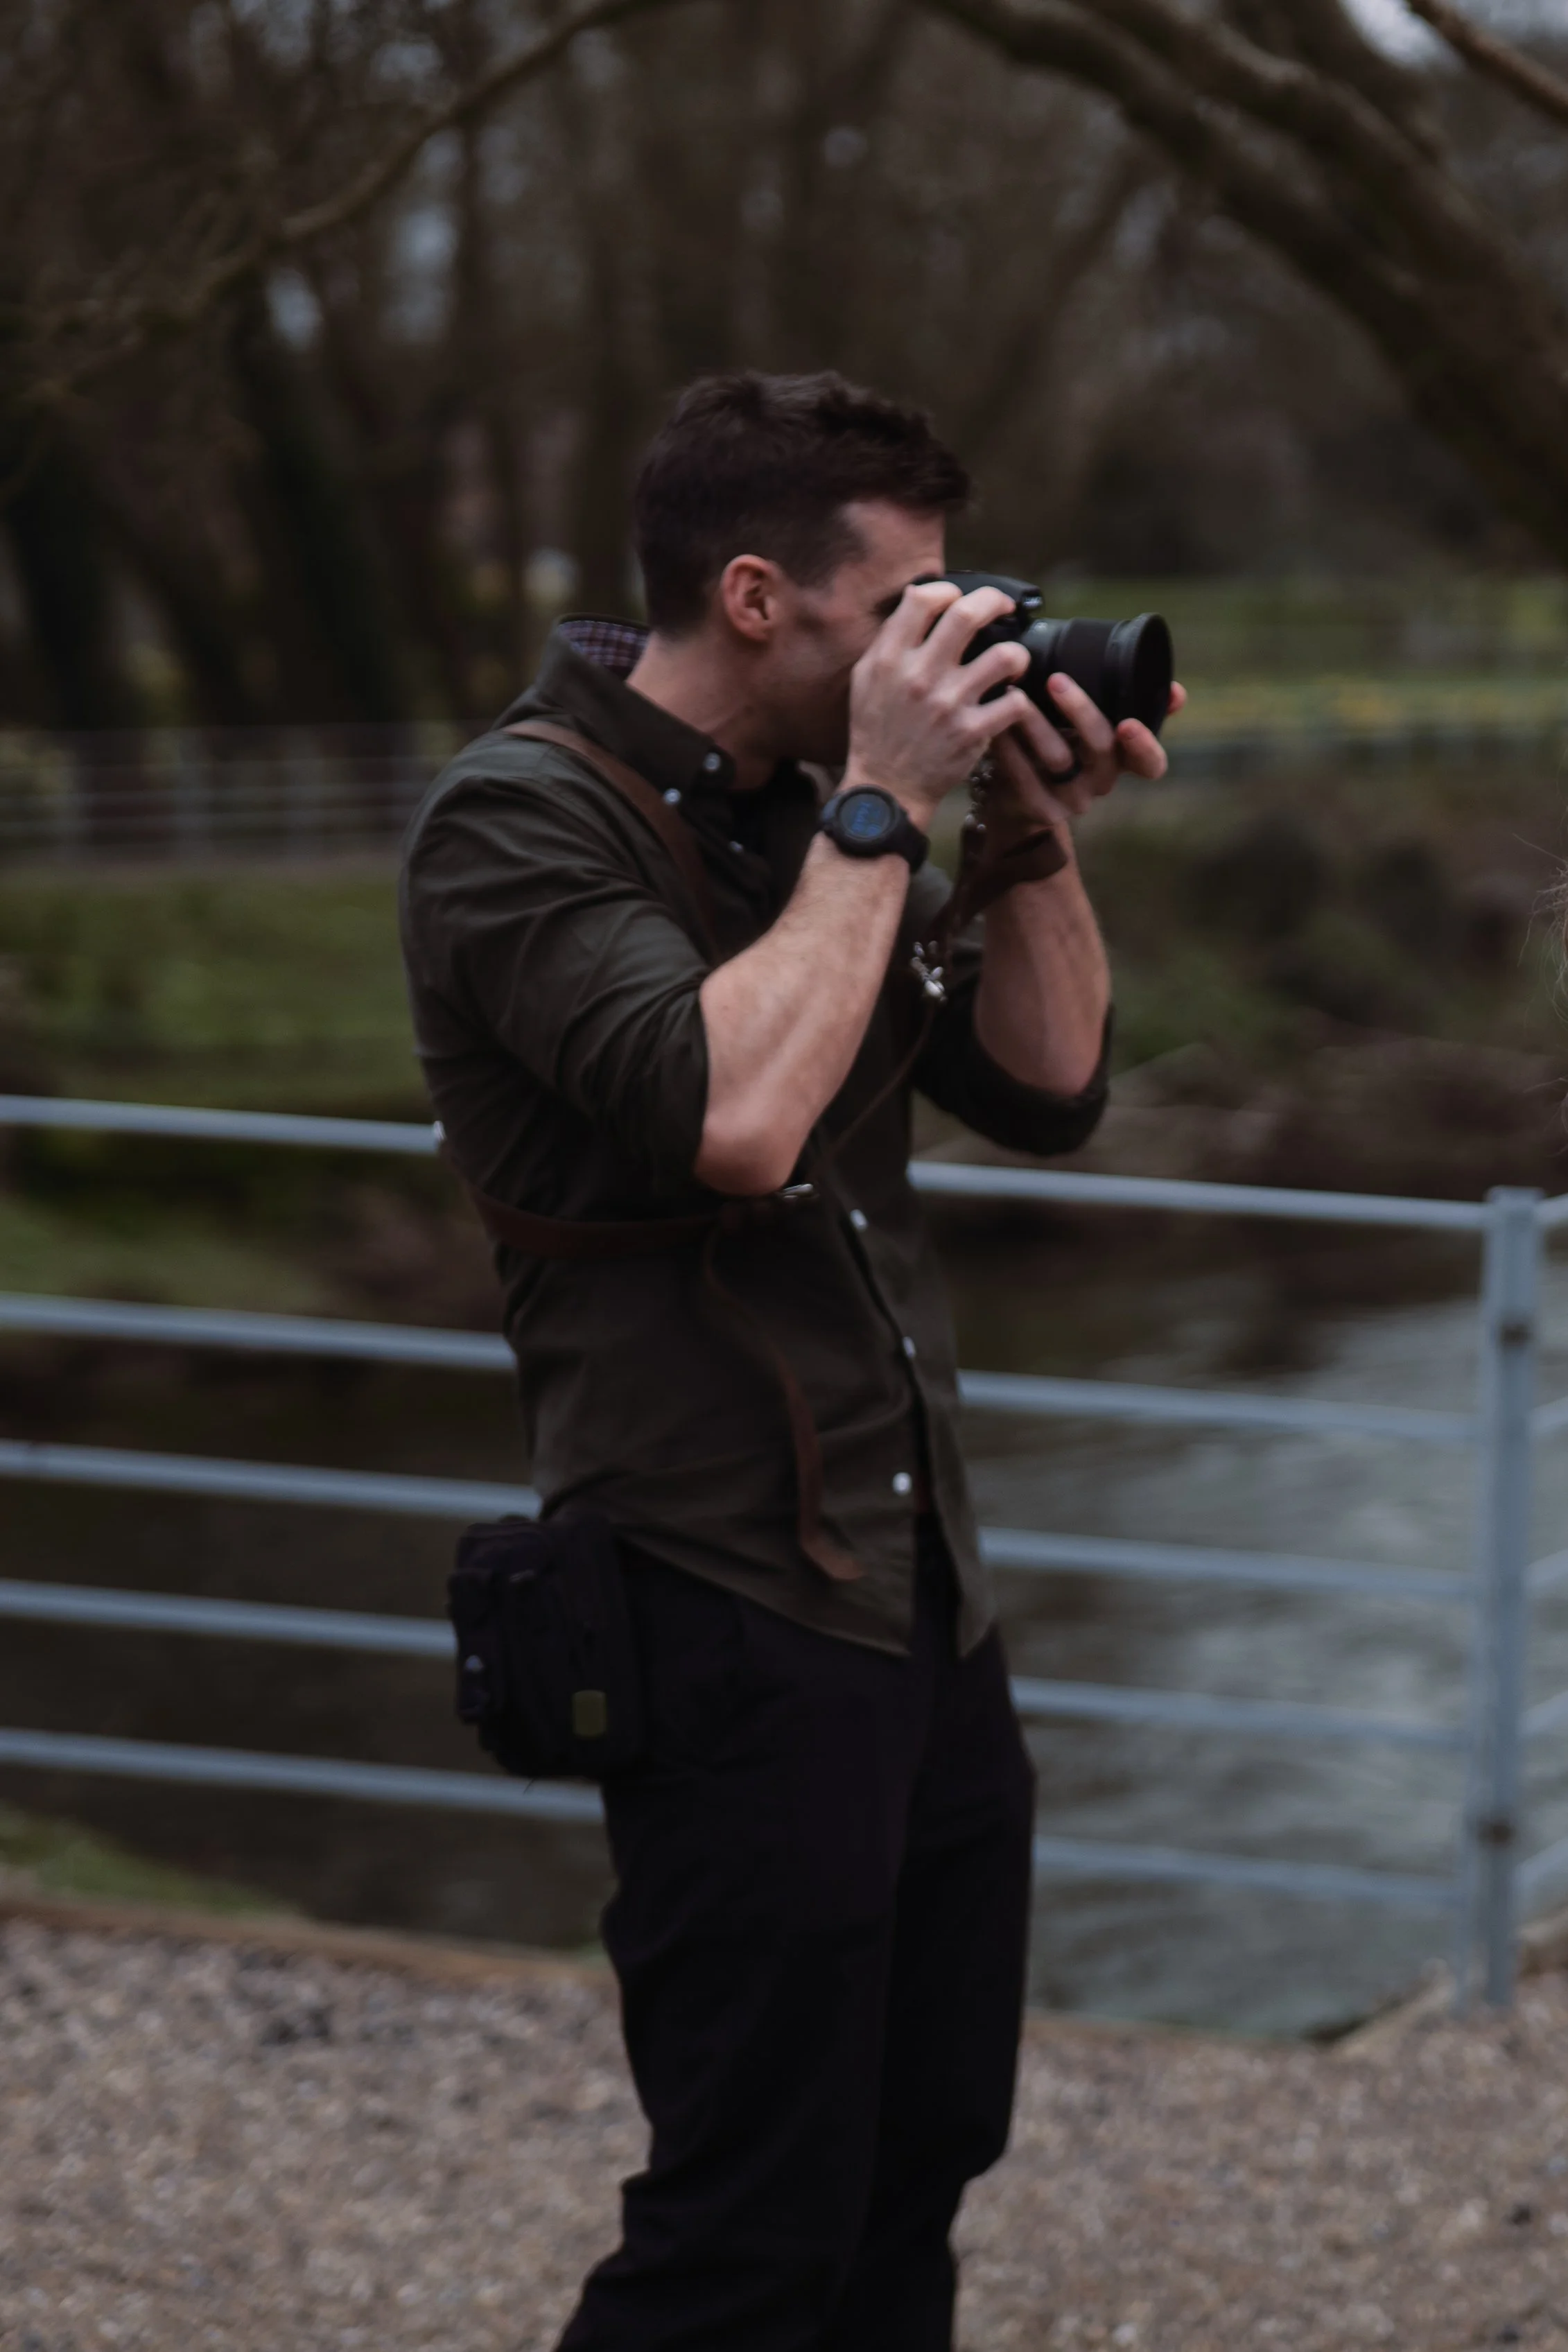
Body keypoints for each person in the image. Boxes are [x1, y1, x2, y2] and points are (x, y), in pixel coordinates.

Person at [399, 370, 1178, 2352]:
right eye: (905, 605)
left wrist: (1017, 823)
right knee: (747, 2228)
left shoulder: (804, 818)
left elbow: (1054, 1082)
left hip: (919, 1590)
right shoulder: (521, 818)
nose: (949, 640)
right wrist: (884, 804)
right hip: (715, 1596)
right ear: (757, 597)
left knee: (916, 2168)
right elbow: (733, 1118)